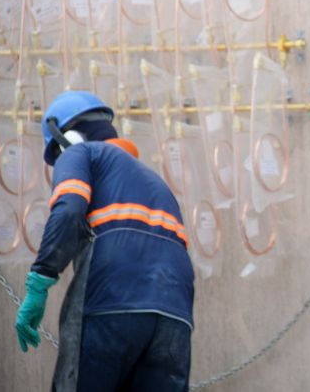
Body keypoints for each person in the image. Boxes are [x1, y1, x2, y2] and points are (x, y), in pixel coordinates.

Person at [14, 91, 195, 392]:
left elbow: (69, 208)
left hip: (113, 301)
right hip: (174, 312)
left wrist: (40, 280)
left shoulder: (80, 154)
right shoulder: (156, 183)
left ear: (68, 137)